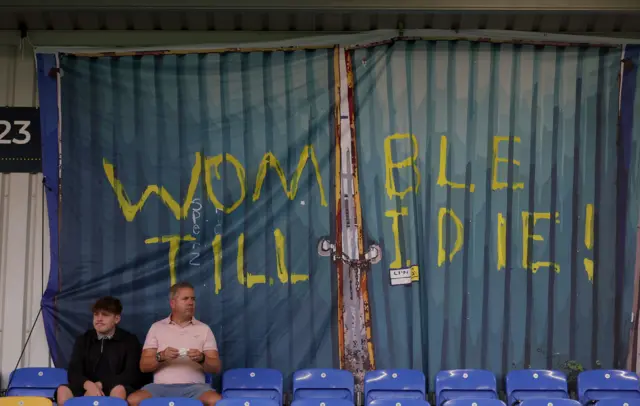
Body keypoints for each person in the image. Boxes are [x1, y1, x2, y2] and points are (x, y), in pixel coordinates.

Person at [128, 281, 222, 406]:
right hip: (161, 388)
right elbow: (144, 366)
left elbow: (215, 367)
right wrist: (161, 356)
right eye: (185, 299)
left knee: (216, 401)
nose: (190, 303)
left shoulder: (204, 329)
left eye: (193, 299)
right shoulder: (156, 328)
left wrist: (202, 358)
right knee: (133, 400)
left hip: (195, 389)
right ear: (173, 303)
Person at [55, 296, 142, 406]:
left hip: (114, 386)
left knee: (119, 390)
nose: (99, 319)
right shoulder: (83, 339)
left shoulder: (129, 340)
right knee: (62, 390)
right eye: (96, 314)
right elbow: (74, 372)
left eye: (105, 315)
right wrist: (88, 385)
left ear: (117, 319)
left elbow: (131, 374)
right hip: (86, 387)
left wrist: (101, 385)